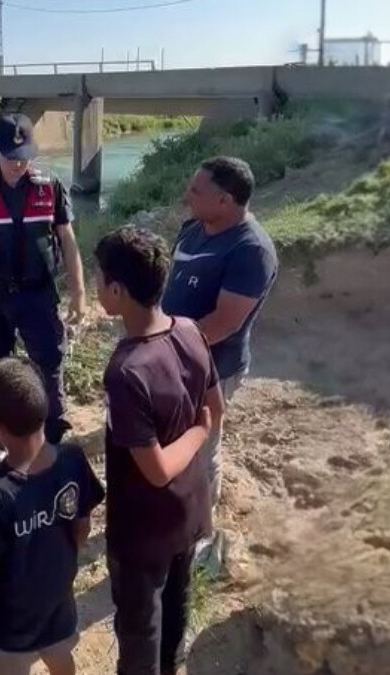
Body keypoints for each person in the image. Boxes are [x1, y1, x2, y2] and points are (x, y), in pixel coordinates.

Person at [95, 226, 224, 675]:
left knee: (139, 631)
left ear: (116, 289)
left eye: (99, 278)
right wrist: (203, 429)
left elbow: (156, 469)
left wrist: (197, 433)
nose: (97, 286)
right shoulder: (189, 331)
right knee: (177, 607)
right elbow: (216, 406)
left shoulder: (126, 371)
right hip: (188, 508)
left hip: (142, 531)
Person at [0, 357, 105, 675]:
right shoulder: (73, 460)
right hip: (58, 602)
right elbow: (81, 527)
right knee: (61, 655)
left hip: (9, 628)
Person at [0, 113, 88, 447]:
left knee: (49, 360)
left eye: (26, 155)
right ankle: (5, 438)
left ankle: (53, 432)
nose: (19, 164)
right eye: (11, 157)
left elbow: (67, 240)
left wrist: (79, 293)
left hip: (37, 293)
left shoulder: (49, 185)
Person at [160, 157, 278, 507]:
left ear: (224, 200)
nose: (186, 196)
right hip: (174, 357)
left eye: (196, 190)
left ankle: (202, 531)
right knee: (173, 438)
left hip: (212, 369)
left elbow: (223, 324)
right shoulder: (193, 229)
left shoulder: (250, 251)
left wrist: (164, 349)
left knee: (202, 447)